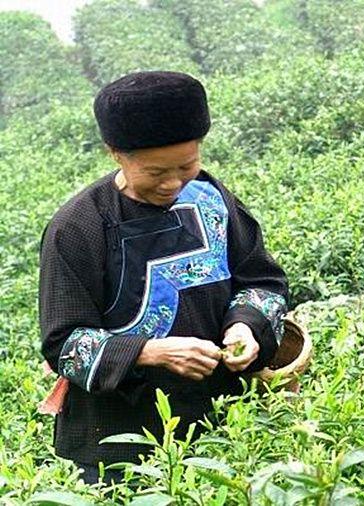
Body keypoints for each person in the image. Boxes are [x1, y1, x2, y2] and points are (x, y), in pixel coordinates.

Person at [38, 71, 288, 483]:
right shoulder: (78, 227)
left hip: (225, 427)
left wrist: (246, 324)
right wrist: (151, 352)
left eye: (187, 165)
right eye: (155, 173)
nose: (173, 184)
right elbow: (64, 345)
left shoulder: (210, 197)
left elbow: (262, 281)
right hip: (121, 447)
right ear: (114, 152)